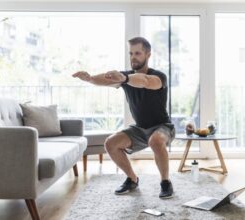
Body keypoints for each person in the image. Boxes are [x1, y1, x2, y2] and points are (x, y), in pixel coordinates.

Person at [72, 37, 175, 199]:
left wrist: (124, 79)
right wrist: (90, 79)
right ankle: (132, 179)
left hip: (162, 126)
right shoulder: (124, 77)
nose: (133, 57)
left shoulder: (159, 76)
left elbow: (146, 82)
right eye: (131, 53)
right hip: (140, 128)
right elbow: (107, 79)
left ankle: (165, 182)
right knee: (110, 144)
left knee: (155, 141)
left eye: (138, 53)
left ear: (148, 54)